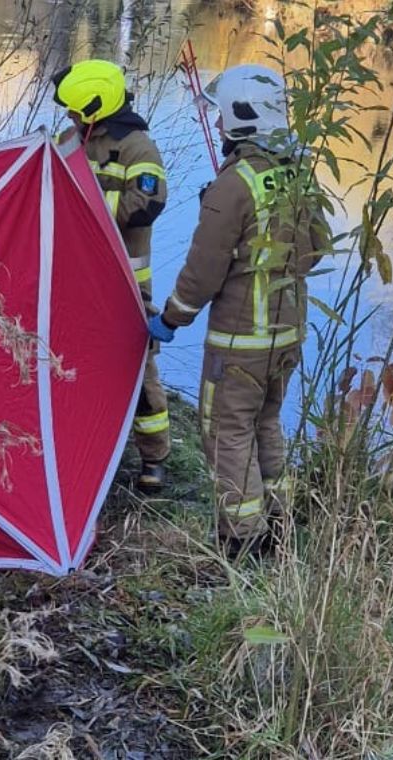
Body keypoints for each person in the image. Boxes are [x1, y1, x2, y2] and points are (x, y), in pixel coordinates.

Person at [147, 64, 330, 557]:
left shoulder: (234, 185)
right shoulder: (298, 174)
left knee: (227, 433)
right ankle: (280, 524)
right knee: (266, 423)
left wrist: (170, 319)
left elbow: (203, 272)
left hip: (238, 342)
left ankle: (242, 541)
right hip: (287, 336)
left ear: (237, 116)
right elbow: (316, 252)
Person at [51, 59, 171, 493]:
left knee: (139, 373)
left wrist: (90, 218)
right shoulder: (71, 141)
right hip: (76, 280)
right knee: (73, 365)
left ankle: (154, 458)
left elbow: (149, 204)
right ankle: (85, 450)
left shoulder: (139, 148)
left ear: (95, 108)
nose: (67, 116)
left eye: (74, 109)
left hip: (125, 284)